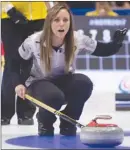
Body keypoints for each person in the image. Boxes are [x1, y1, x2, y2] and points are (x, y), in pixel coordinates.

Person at [12, 3, 127, 136]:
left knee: (84, 83)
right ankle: (45, 122)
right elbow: (14, 63)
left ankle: (68, 121)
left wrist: (116, 43)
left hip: (63, 80)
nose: (61, 24)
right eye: (56, 20)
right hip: (38, 83)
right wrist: (18, 83)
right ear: (49, 22)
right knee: (54, 97)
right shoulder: (33, 41)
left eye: (65, 20)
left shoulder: (77, 38)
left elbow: (103, 50)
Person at [1, 1, 54, 125]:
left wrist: (51, 9)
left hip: (39, 16)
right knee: (11, 62)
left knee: (30, 63)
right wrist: (9, 9)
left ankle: (26, 112)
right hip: (10, 17)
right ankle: (4, 112)